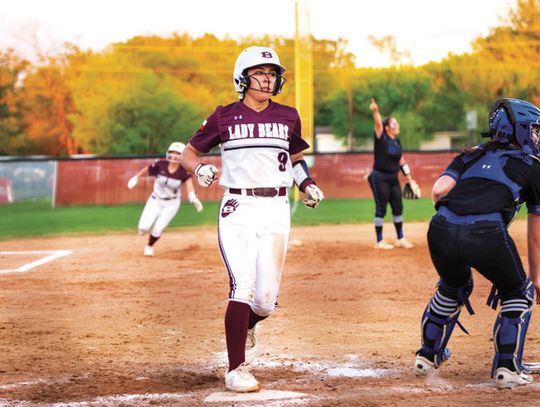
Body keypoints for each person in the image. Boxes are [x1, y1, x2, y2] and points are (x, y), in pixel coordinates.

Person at [180, 46, 324, 393]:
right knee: (242, 285)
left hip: (276, 210)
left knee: (265, 302)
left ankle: (247, 323)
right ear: (242, 78)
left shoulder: (289, 115)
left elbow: (295, 158)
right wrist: (198, 168)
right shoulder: (223, 115)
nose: (267, 79)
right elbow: (189, 152)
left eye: (272, 74)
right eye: (260, 73)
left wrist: (307, 184)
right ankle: (236, 368)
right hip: (238, 208)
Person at [413, 98, 540, 390]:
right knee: (517, 292)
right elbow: (536, 235)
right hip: (485, 231)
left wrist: (458, 218)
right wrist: (536, 279)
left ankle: (427, 356)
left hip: (441, 226)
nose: (535, 137)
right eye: (533, 130)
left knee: (452, 286)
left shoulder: (470, 154)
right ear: (519, 130)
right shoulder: (533, 166)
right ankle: (507, 368)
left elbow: (439, 191)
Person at [127, 141, 203, 256]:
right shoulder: (160, 165)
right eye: (172, 152)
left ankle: (149, 246)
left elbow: (190, 187)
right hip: (155, 200)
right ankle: (147, 227)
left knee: (157, 229)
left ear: (182, 156)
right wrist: (136, 178)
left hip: (172, 204)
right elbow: (147, 170)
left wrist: (194, 199)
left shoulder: (184, 171)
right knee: (143, 228)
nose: (174, 156)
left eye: (178, 153)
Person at [368, 97, 419, 249]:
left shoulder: (397, 142)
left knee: (398, 207)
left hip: (393, 178)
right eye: (394, 123)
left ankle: (400, 237)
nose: (397, 125)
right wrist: (376, 111)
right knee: (381, 208)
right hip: (379, 177)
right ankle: (379, 240)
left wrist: (410, 180)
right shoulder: (381, 138)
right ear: (387, 127)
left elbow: (402, 161)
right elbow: (378, 124)